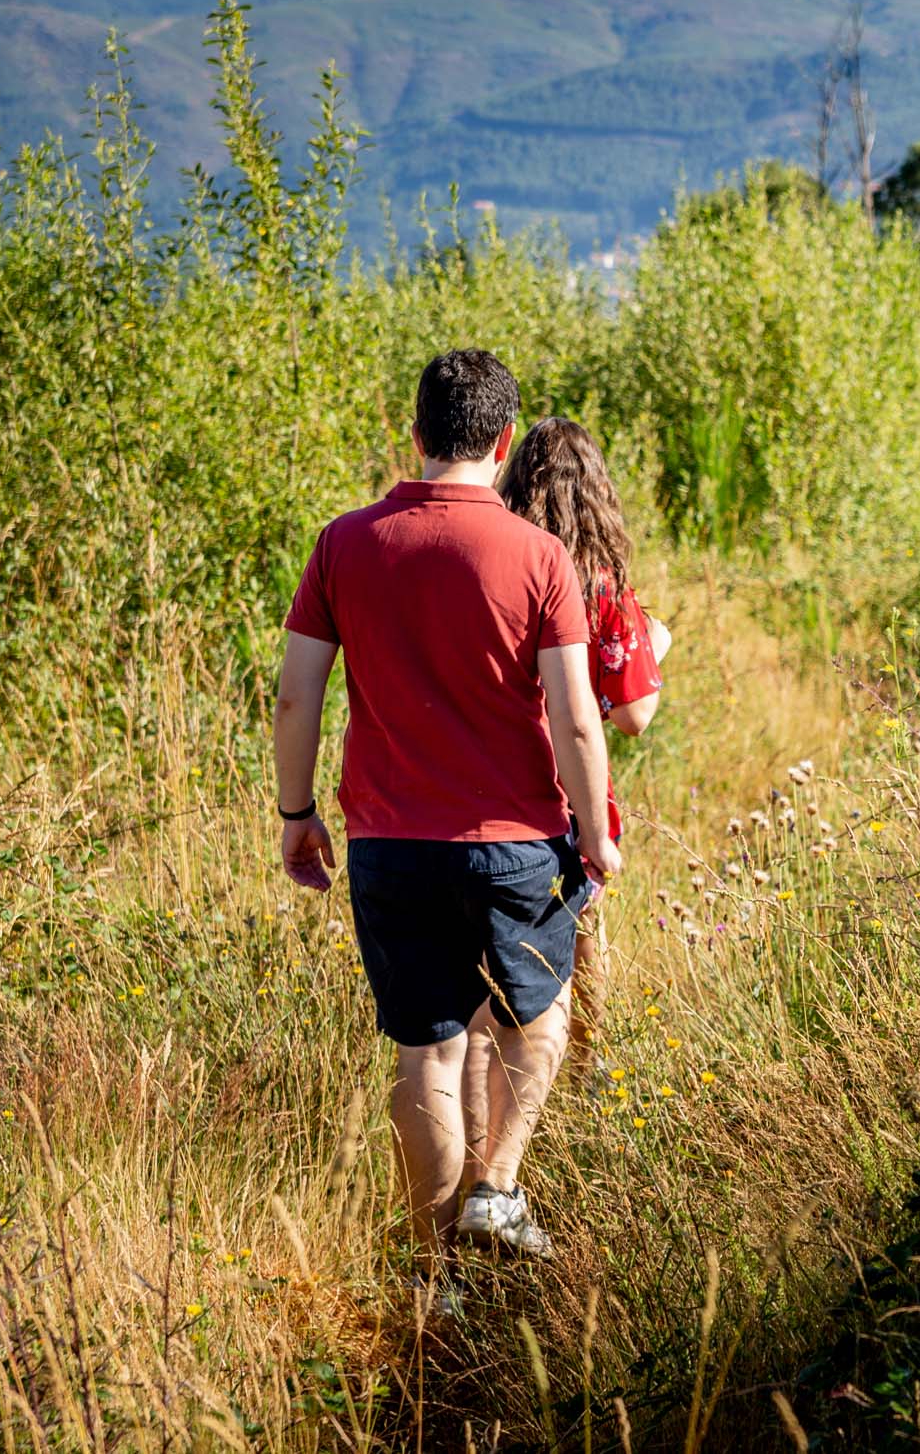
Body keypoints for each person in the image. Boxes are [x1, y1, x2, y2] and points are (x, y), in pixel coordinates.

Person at [272, 350, 620, 1265]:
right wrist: (594, 832)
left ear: (416, 432)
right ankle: (497, 1189)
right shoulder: (541, 555)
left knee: (426, 1053)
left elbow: (295, 695)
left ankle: (433, 1268)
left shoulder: (345, 542)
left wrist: (296, 811)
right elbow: (577, 716)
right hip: (519, 844)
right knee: (538, 1019)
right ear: (503, 442)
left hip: (389, 843)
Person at [496, 417, 671, 1089]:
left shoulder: (498, 563)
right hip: (571, 798)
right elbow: (633, 713)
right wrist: (659, 642)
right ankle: (585, 1077)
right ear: (598, 489)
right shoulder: (602, 584)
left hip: (491, 786)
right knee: (579, 943)